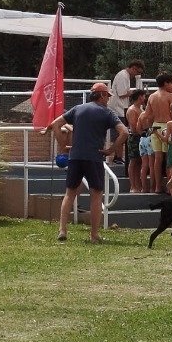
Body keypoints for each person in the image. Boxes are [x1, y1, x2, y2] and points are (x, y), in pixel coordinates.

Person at [44, 83, 127, 243]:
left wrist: (63, 145)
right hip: (94, 158)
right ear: (102, 95)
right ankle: (94, 234)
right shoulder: (107, 113)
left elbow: (55, 124)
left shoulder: (77, 109)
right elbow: (124, 132)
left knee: (70, 193)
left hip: (75, 157)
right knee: (96, 195)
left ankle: (62, 230)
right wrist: (111, 150)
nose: (108, 99)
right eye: (107, 96)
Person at [141, 73, 172, 193]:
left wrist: (147, 127)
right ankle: (169, 187)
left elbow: (146, 115)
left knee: (157, 158)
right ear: (166, 83)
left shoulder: (152, 97)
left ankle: (157, 186)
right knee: (169, 157)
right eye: (171, 83)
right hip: (168, 126)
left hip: (155, 126)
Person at [109, 59, 144, 164]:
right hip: (118, 109)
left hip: (120, 108)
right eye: (138, 72)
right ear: (133, 68)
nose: (137, 75)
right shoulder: (123, 76)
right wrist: (135, 92)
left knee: (121, 134)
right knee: (120, 134)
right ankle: (118, 157)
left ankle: (118, 156)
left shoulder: (125, 76)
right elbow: (122, 93)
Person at [125, 89, 148, 193]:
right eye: (143, 96)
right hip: (134, 138)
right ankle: (133, 185)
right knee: (133, 161)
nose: (145, 98)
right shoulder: (132, 110)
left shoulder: (141, 109)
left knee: (139, 162)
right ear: (140, 97)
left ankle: (138, 185)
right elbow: (134, 127)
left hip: (141, 137)